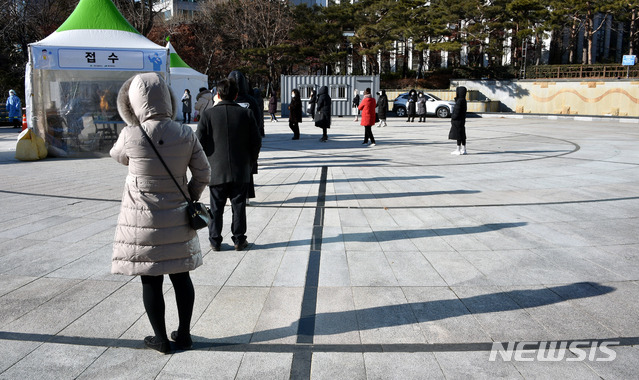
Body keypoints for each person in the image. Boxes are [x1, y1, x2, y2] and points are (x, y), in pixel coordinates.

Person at [110, 72, 211, 354]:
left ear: (134, 102)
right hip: (178, 217)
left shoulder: (130, 135)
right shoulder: (184, 133)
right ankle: (186, 334)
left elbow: (116, 155)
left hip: (141, 220)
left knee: (150, 279)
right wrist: (190, 196)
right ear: (167, 99)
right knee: (182, 276)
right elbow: (204, 172)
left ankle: (161, 338)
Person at [196, 78, 261, 252]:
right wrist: (250, 161)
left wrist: (205, 163)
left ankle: (215, 240)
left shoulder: (208, 115)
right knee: (238, 206)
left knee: (216, 207)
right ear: (236, 95)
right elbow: (256, 142)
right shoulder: (246, 114)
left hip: (216, 169)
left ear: (218, 94)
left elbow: (198, 143)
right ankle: (239, 239)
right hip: (240, 169)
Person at [449, 86, 468, 155]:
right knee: (462, 135)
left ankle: (458, 150)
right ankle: (464, 149)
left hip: (457, 121)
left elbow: (456, 112)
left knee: (458, 135)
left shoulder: (459, 101)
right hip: (462, 120)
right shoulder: (464, 100)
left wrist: (453, 117)